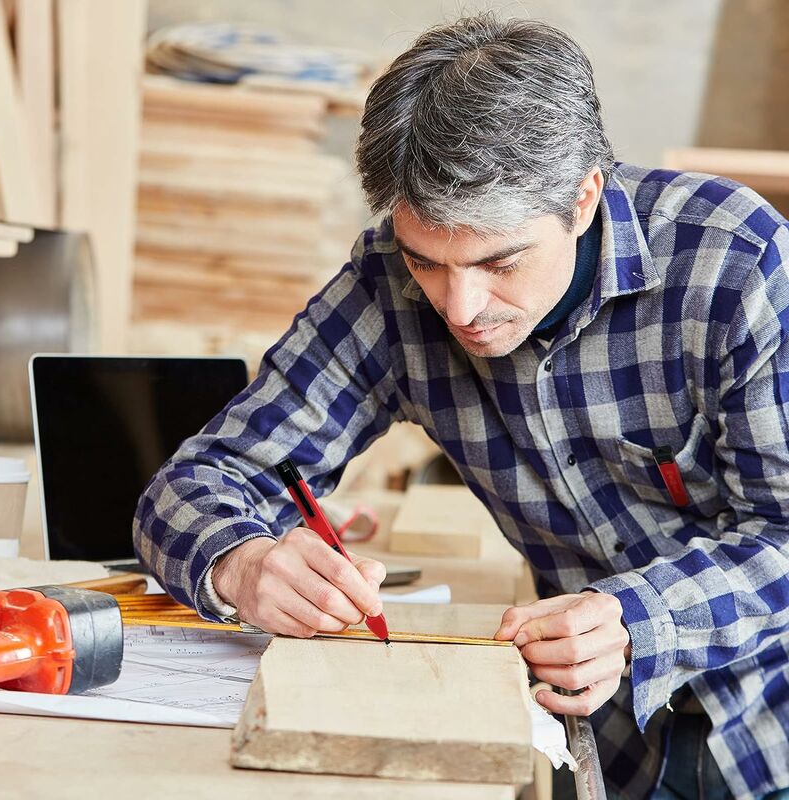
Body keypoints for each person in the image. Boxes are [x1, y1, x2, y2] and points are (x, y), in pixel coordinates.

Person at [133, 14, 789, 800]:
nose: (460, 305)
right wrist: (240, 561)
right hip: (600, 738)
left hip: (769, 715)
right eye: (427, 261)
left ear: (584, 198)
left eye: (499, 261)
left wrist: (635, 620)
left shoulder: (737, 264)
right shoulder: (388, 286)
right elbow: (200, 479)